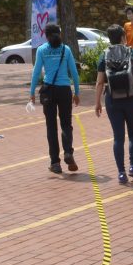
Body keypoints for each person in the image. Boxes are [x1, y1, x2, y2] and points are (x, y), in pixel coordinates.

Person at [94, 24, 133, 186]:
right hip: (132, 98)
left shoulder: (104, 55)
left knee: (118, 137)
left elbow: (100, 82)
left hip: (113, 100)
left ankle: (121, 173)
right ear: (123, 37)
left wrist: (97, 102)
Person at [29, 23, 80, 176]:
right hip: (64, 90)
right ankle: (68, 152)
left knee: (51, 127)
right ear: (60, 34)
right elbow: (74, 72)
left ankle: (55, 163)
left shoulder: (42, 50)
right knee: (66, 124)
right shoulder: (66, 49)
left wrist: (32, 92)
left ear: (45, 36)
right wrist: (77, 92)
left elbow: (36, 72)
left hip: (49, 91)